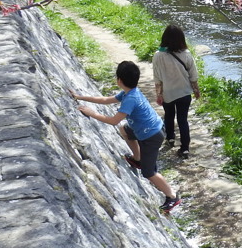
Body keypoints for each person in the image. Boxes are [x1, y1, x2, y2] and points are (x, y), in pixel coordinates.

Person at [71, 60, 180, 213]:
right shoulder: (130, 92)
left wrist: (91, 113)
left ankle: (173, 196)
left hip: (152, 136)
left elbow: (113, 121)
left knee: (149, 172)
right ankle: (138, 158)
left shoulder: (130, 99)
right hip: (149, 128)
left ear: (119, 80)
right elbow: (106, 100)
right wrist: (81, 97)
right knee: (124, 129)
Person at [152, 24, 200, 158]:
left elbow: (157, 78)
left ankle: (170, 138)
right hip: (184, 92)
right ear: (181, 39)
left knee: (169, 115)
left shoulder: (158, 56)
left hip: (168, 93)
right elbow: (193, 75)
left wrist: (159, 94)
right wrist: (196, 90)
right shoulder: (186, 54)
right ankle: (185, 148)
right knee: (182, 119)